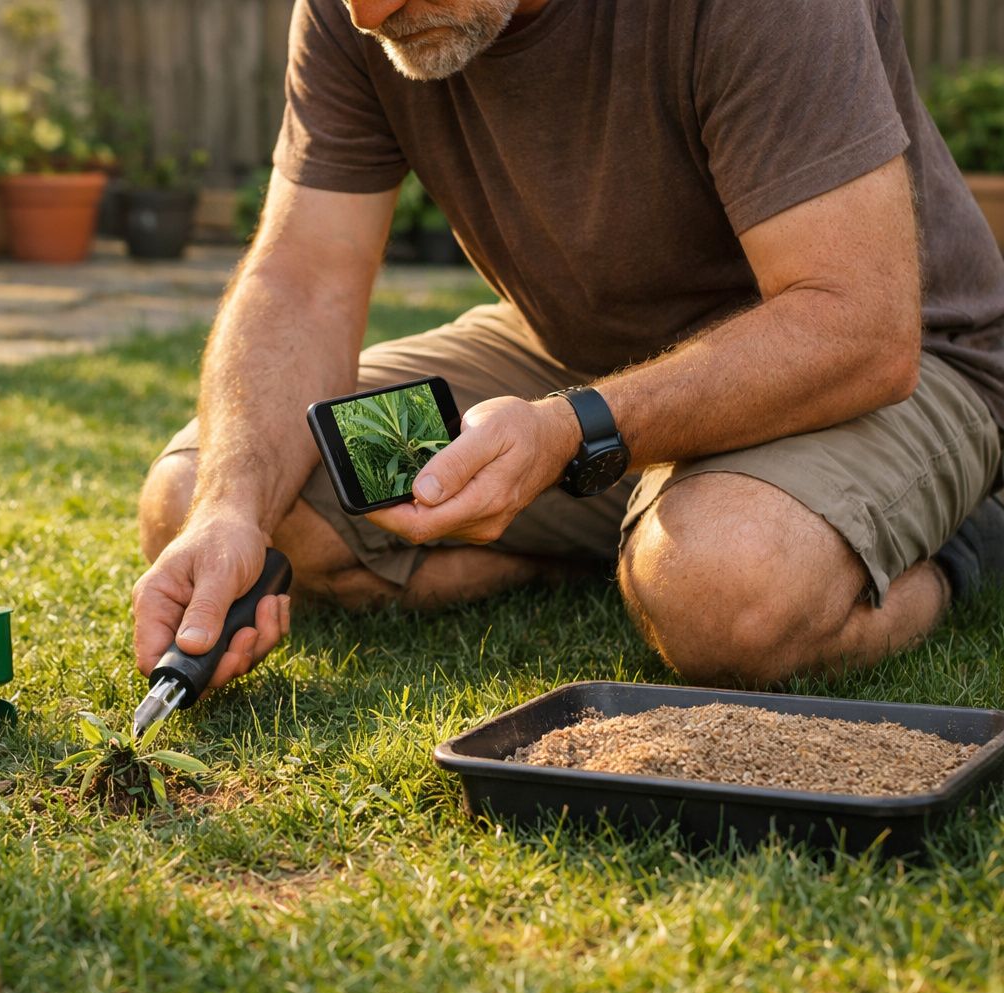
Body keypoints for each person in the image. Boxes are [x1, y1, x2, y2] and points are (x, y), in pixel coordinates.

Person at [132, 0, 1004, 693]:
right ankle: (634, 535)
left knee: (722, 591)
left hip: (895, 363)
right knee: (202, 492)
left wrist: (569, 432)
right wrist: (228, 513)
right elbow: (303, 279)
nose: (365, 13)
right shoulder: (353, 10)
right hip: (577, 361)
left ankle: (970, 539)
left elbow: (856, 326)